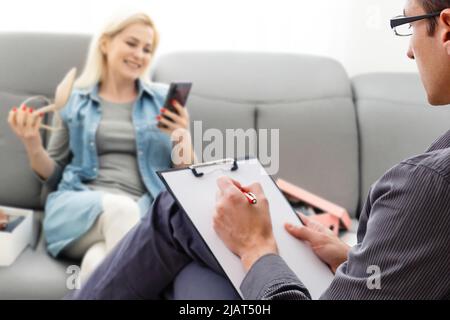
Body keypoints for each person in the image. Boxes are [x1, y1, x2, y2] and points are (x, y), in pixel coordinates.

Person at [69, 0, 450, 300]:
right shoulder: (79, 101)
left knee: (178, 212)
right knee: (188, 260)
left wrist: (256, 247)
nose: (410, 52)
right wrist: (351, 258)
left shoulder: (429, 185)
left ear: (445, 29)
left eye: (408, 26)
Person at [7, 11, 195, 284]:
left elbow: (185, 178)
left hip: (140, 213)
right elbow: (55, 173)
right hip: (77, 210)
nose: (140, 55)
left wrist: (182, 136)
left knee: (97, 262)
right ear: (106, 44)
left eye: (147, 49)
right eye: (131, 43)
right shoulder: (74, 100)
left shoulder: (161, 101)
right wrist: (33, 144)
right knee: (122, 211)